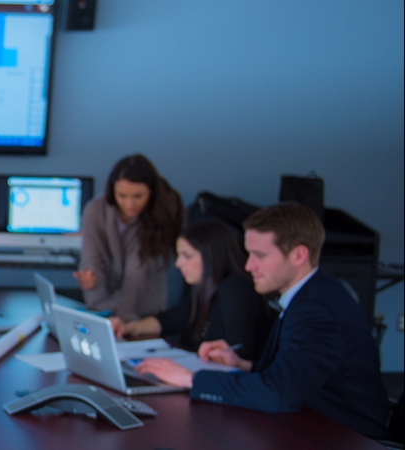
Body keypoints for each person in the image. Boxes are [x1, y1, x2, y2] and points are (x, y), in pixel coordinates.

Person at [136, 203, 390, 440]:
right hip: (314, 422)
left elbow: (278, 394)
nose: (248, 265)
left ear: (299, 255)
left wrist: (189, 378)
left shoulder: (317, 309)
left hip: (346, 437)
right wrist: (243, 365)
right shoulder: (312, 294)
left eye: (259, 255)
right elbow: (298, 374)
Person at [110, 219, 272, 360]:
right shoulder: (200, 288)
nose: (178, 263)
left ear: (211, 256)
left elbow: (239, 352)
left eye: (187, 256)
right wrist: (128, 327)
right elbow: (171, 320)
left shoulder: (235, 288)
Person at [76, 154, 185, 321]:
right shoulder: (95, 210)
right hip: (100, 308)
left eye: (138, 196)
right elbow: (91, 256)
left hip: (143, 311)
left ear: (151, 192)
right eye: (122, 195)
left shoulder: (159, 216)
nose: (129, 204)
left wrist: (125, 317)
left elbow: (136, 273)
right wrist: (92, 278)